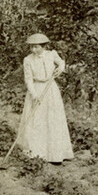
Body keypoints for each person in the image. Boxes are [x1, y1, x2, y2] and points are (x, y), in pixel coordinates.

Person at [15, 33, 74, 164]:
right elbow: (28, 79)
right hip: (36, 90)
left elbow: (61, 62)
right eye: (31, 47)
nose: (33, 50)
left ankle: (55, 154)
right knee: (37, 121)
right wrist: (34, 94)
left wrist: (60, 68)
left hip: (50, 89)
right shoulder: (28, 60)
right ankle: (36, 152)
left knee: (52, 119)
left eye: (36, 47)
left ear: (44, 46)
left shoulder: (51, 54)